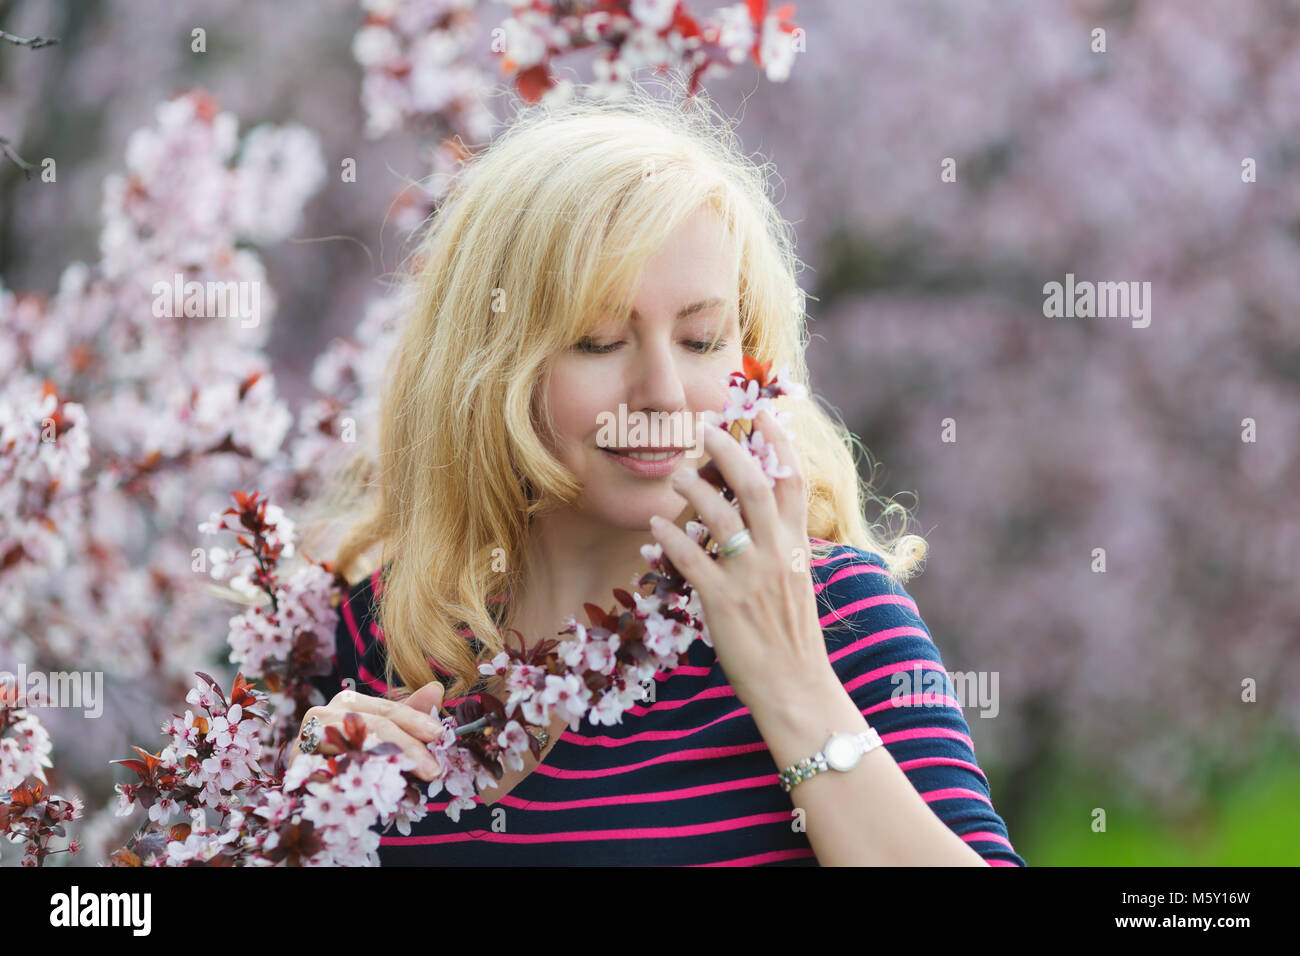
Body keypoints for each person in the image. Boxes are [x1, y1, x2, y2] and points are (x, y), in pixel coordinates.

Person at [293, 87, 1026, 866]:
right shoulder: (388, 632)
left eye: (703, 339)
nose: (664, 394)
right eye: (599, 342)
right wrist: (301, 820)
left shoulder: (837, 616)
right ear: (490, 368)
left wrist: (793, 685)